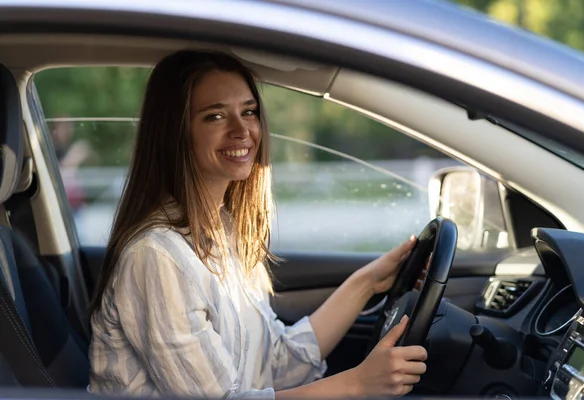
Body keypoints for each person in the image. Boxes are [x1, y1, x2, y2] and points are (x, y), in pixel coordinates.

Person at [88, 49, 428, 399]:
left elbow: (276, 363)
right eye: (215, 116)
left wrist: (368, 282)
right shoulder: (156, 256)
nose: (243, 130)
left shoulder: (225, 231)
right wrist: (357, 383)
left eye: (249, 112)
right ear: (175, 132)